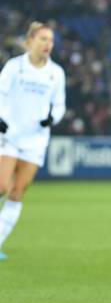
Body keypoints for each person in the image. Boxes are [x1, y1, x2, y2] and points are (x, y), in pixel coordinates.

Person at [0, 22, 66, 260]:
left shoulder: (55, 72)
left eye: (51, 40)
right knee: (1, 186)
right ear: (29, 42)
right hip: (9, 135)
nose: (48, 44)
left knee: (17, 192)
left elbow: (59, 105)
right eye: (43, 39)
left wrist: (52, 118)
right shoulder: (14, 67)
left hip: (36, 141)